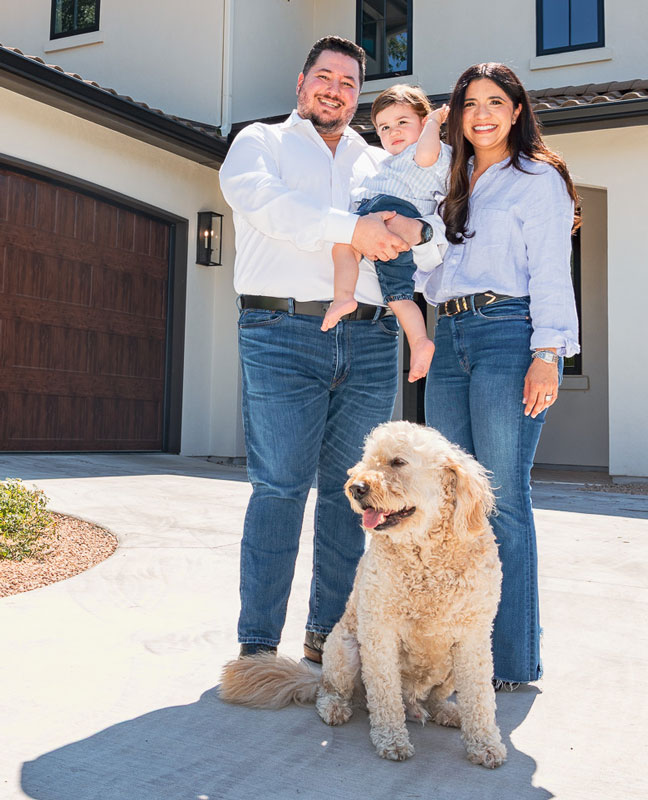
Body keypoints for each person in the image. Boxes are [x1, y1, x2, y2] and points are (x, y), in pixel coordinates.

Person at [218, 36, 442, 663]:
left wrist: (421, 231)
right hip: (281, 335)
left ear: (358, 95)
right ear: (301, 83)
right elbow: (268, 207)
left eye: (349, 82)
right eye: (326, 76)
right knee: (280, 489)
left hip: (373, 337)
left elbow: (426, 242)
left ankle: (330, 639)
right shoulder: (259, 143)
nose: (336, 90)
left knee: (357, 496)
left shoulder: (380, 161)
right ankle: (259, 648)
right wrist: (354, 228)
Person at [418, 63, 581, 688]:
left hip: (509, 336)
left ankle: (511, 662)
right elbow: (430, 270)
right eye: (468, 105)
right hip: (451, 333)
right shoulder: (451, 183)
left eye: (495, 102)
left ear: (517, 111)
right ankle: (453, 656)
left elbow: (549, 272)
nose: (481, 114)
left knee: (503, 499)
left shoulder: (538, 180)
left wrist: (549, 353)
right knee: (449, 501)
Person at [321, 85, 450, 382]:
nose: (393, 132)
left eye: (403, 122)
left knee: (397, 293)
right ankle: (345, 298)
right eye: (384, 127)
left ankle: (419, 342)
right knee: (391, 290)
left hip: (396, 213)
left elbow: (429, 153)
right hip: (369, 218)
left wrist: (433, 124)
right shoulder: (384, 162)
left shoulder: (429, 153)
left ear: (422, 121)